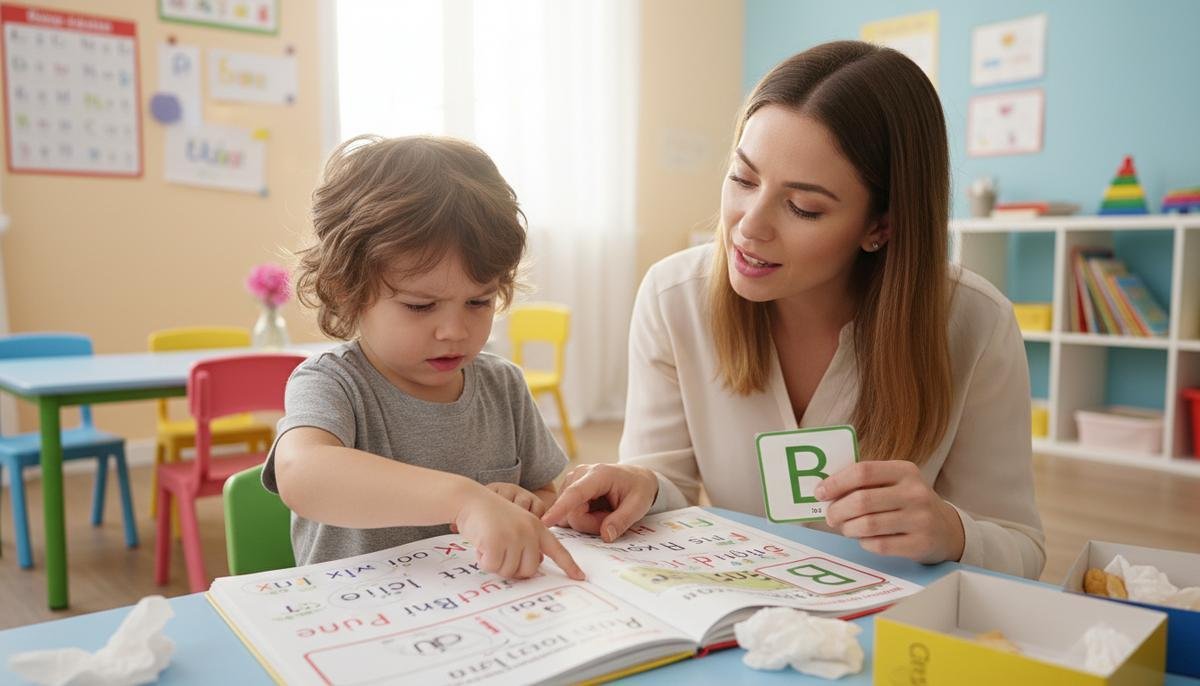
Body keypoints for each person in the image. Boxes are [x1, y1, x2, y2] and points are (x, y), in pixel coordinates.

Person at [543, 41, 1045, 579]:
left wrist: (951, 530)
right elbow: (668, 482)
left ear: (882, 226)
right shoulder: (674, 297)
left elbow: (1022, 548)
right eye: (742, 179)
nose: (749, 226)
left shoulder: (974, 324)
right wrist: (641, 484)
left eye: (803, 207)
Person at [265, 134, 583, 581]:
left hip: (485, 617)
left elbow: (544, 493)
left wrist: (529, 504)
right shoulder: (332, 382)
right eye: (419, 306)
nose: (454, 331)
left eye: (479, 302)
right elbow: (302, 473)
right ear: (347, 292)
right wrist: (463, 497)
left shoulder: (503, 385)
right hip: (359, 623)